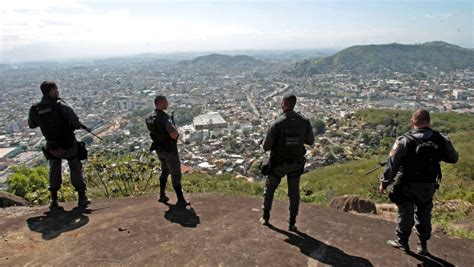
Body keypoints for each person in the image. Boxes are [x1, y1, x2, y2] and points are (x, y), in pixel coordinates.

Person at [379, 108, 458, 255]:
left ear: (412, 122)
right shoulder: (440, 139)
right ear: (429, 121)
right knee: (424, 213)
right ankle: (423, 245)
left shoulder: (404, 140)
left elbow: (392, 165)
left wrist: (384, 183)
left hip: (407, 184)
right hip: (428, 185)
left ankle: (402, 242)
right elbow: (453, 158)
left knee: (405, 213)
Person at [28, 81, 89, 208]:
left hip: (52, 145)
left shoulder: (35, 109)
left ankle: (54, 199)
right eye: (56, 89)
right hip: (68, 144)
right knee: (75, 167)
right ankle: (81, 197)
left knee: (54, 169)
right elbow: (76, 124)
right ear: (51, 90)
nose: (58, 91)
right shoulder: (61, 106)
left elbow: (31, 125)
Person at [260, 94, 314, 231]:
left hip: (278, 164)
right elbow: (310, 141)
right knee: (294, 193)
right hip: (296, 163)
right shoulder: (304, 121)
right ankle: (292, 223)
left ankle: (265, 217)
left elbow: (266, 146)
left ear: (283, 103)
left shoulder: (276, 123)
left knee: (270, 188)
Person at [146, 95, 189, 206]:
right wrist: (175, 128)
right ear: (160, 103)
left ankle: (161, 195)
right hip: (169, 149)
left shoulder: (150, 117)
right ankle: (181, 199)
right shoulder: (165, 118)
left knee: (164, 170)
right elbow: (174, 135)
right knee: (175, 173)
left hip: (159, 149)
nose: (167, 104)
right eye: (165, 102)